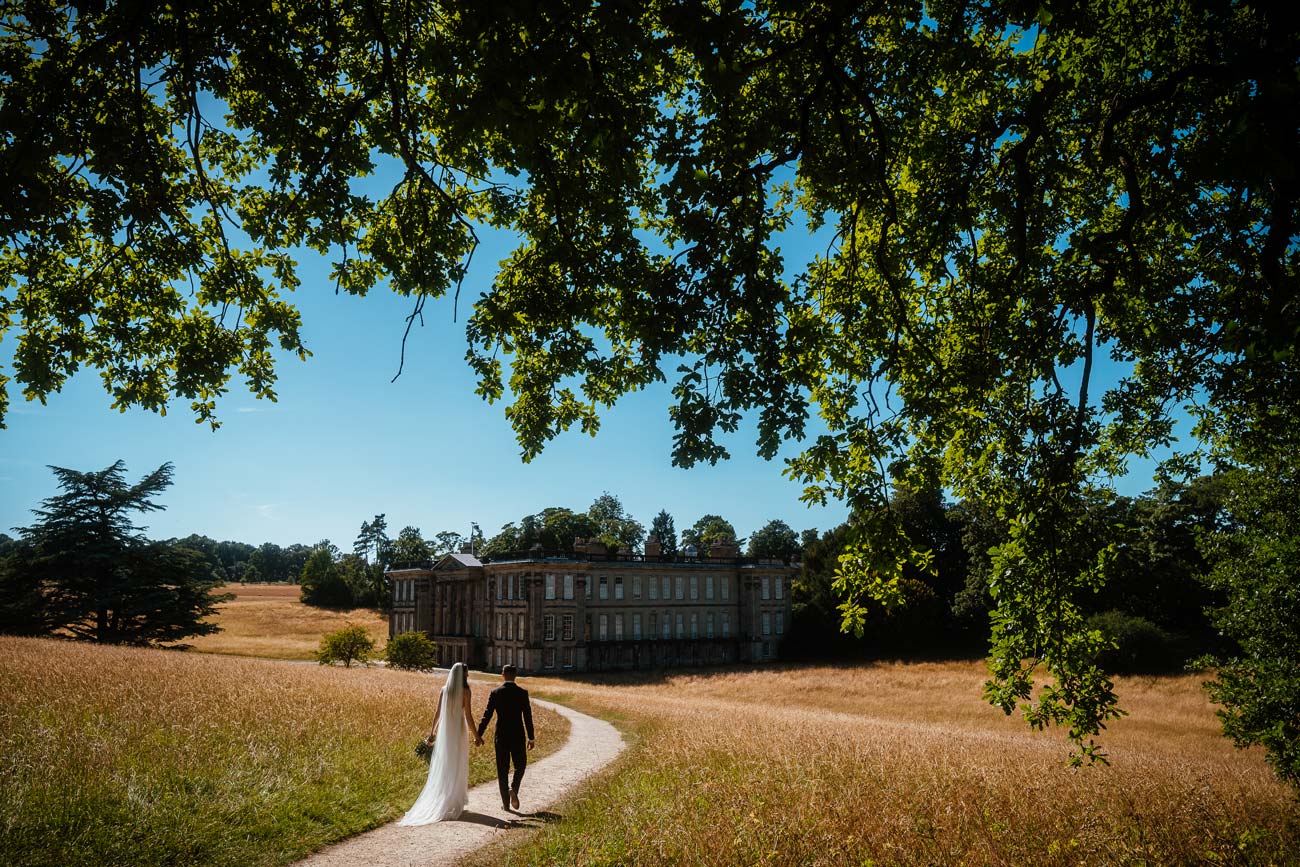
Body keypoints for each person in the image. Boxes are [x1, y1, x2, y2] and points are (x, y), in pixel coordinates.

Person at [398, 662, 481, 824]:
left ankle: (446, 798)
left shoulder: (444, 690)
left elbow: (437, 714)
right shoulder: (466, 691)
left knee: (445, 764)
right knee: (458, 763)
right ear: (462, 675)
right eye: (467, 673)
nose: (468, 675)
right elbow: (469, 716)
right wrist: (476, 735)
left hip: (445, 731)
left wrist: (432, 733)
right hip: (458, 730)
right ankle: (454, 800)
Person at [476, 664, 535, 811]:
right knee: (520, 765)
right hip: (518, 735)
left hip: (501, 735)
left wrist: (479, 734)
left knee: (502, 769)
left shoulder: (496, 693)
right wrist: (531, 737)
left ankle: (506, 804)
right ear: (515, 676)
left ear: (502, 675)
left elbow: (487, 715)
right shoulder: (522, 693)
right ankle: (514, 789)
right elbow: (528, 717)